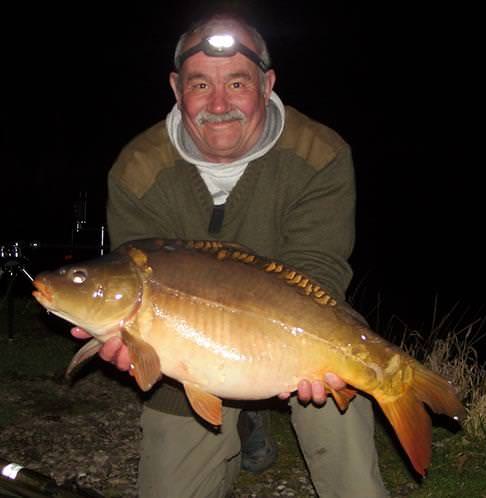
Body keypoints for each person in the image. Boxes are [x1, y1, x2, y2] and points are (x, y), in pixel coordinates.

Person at [72, 13, 388, 498]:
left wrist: (296, 361)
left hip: (289, 325)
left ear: (267, 84)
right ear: (177, 89)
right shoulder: (138, 168)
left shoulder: (319, 153)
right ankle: (242, 421)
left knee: (341, 409)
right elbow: (130, 267)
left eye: (237, 82)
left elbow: (319, 271)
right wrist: (132, 349)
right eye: (201, 84)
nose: (219, 104)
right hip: (192, 355)